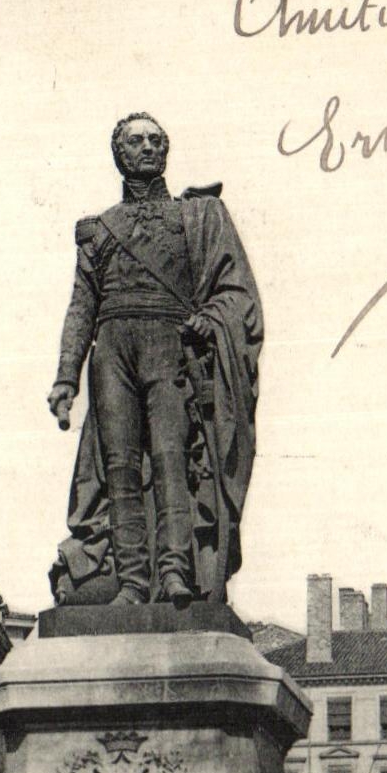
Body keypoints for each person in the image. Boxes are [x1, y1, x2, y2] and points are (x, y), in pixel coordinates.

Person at [47, 113, 263, 607]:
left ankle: (174, 573)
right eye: (136, 140)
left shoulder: (195, 217)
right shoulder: (100, 229)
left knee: (170, 461)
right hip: (112, 351)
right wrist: (65, 379)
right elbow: (82, 305)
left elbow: (235, 292)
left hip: (170, 343)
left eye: (155, 140)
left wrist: (212, 317)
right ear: (118, 153)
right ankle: (131, 582)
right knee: (120, 468)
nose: (147, 147)